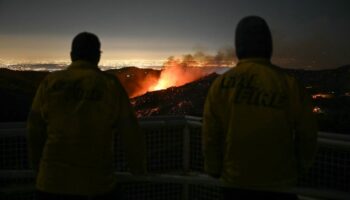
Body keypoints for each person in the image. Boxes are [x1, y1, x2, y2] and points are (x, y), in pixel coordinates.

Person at [202, 16, 318, 199]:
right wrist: (301, 167)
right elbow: (308, 134)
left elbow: (210, 134)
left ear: (239, 46)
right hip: (280, 184)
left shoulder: (220, 85)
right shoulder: (289, 85)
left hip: (235, 182)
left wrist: (214, 169)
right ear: (268, 45)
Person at [27, 32, 147, 200]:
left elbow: (34, 128)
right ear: (98, 56)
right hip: (96, 185)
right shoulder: (109, 84)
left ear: (71, 55)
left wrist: (36, 166)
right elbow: (130, 131)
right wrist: (138, 168)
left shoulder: (50, 82)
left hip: (50, 183)